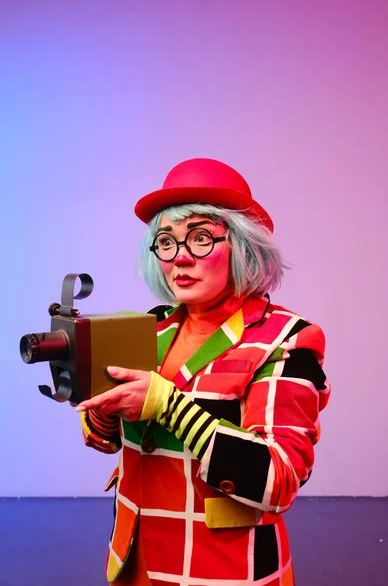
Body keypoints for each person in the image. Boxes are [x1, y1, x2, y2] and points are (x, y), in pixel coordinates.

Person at [75, 158, 330, 586]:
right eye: (167, 242)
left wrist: (168, 406)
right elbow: (104, 440)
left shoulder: (288, 339)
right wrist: (104, 410)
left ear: (244, 247)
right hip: (134, 558)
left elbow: (279, 479)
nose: (180, 259)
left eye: (200, 239)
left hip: (222, 567)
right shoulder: (152, 327)